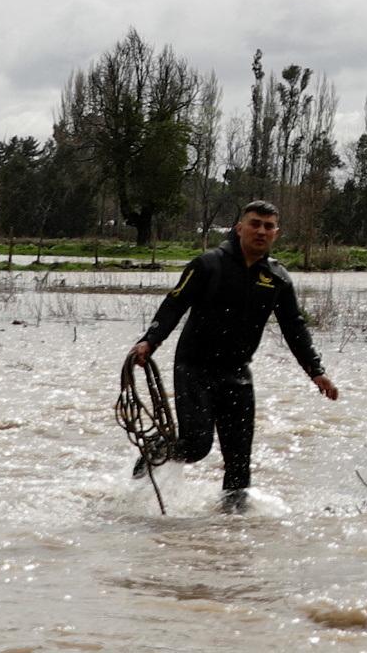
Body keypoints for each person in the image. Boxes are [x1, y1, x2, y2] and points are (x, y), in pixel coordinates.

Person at [127, 200, 339, 508]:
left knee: (240, 461)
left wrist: (316, 371)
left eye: (268, 226)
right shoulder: (208, 264)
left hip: (237, 371)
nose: (261, 231)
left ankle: (232, 530)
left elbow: (295, 328)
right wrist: (149, 342)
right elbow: (175, 304)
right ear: (240, 228)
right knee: (197, 445)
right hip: (194, 366)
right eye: (255, 224)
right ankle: (155, 451)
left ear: (276, 233)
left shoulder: (278, 278)